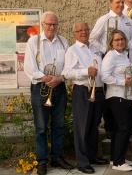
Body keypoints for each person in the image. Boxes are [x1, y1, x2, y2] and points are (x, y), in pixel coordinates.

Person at [24, 11, 73, 175]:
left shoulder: (63, 41)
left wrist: (60, 78)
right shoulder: (33, 41)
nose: (52, 27)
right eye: (49, 24)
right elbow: (30, 67)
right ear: (42, 24)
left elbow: (69, 64)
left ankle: (57, 157)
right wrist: (45, 78)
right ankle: (42, 161)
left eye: (54, 24)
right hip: (41, 87)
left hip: (58, 86)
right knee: (41, 127)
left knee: (59, 125)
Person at [62, 23, 107, 174]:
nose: (83, 32)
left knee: (94, 125)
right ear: (74, 33)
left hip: (98, 90)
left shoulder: (95, 47)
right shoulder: (72, 50)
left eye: (86, 29)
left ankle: (92, 156)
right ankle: (82, 162)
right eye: (79, 30)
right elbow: (67, 73)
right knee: (82, 127)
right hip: (83, 91)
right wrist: (85, 71)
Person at [100, 30, 132, 172]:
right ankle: (118, 163)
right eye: (116, 40)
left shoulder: (124, 55)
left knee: (118, 129)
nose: (120, 42)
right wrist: (122, 82)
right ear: (111, 43)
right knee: (123, 128)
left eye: (122, 39)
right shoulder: (110, 56)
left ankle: (116, 158)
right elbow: (104, 76)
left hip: (124, 96)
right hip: (115, 96)